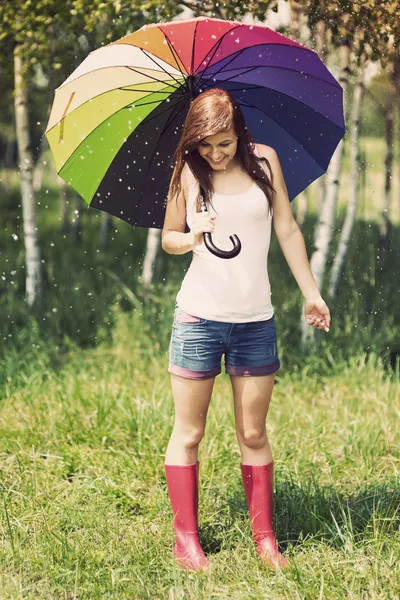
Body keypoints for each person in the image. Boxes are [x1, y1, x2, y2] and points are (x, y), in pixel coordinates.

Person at [161, 88, 331, 573]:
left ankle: (265, 538)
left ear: (240, 133)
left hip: (256, 320)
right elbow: (169, 237)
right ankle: (186, 542)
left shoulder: (265, 161)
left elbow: (288, 229)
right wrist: (192, 233)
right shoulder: (188, 171)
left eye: (226, 143)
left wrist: (311, 292)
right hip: (198, 319)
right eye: (207, 145)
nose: (216, 154)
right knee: (190, 432)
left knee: (253, 432)